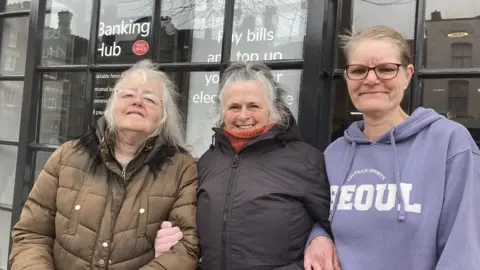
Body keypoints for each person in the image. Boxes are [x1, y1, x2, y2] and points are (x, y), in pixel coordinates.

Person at [304, 25, 480, 269]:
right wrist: (317, 236)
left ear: (408, 75)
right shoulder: (334, 154)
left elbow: (463, 250)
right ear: (347, 77)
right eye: (358, 70)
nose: (371, 79)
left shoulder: (449, 143)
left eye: (386, 69)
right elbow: (318, 217)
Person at [9, 60, 200, 269]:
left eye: (149, 99)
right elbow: (31, 234)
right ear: (111, 107)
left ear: (163, 116)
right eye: (127, 95)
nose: (137, 102)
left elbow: (185, 248)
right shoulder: (68, 157)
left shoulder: (182, 169)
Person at [156, 61, 332, 269]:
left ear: (273, 109)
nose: (243, 115)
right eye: (234, 107)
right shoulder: (207, 162)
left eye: (254, 106)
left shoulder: (306, 160)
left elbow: (334, 224)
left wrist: (319, 237)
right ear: (222, 113)